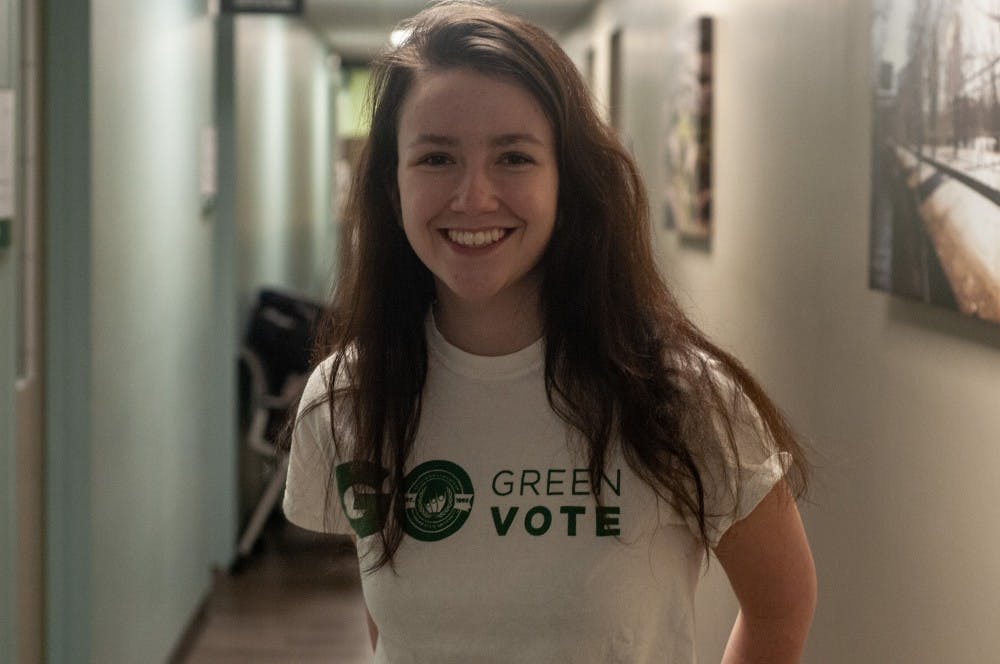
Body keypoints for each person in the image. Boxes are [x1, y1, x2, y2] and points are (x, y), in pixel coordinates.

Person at [282, 2, 816, 662]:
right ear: (393, 188)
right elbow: (394, 622)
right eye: (435, 158)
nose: (473, 196)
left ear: (569, 183)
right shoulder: (348, 398)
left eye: (513, 157)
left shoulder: (680, 397)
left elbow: (782, 605)